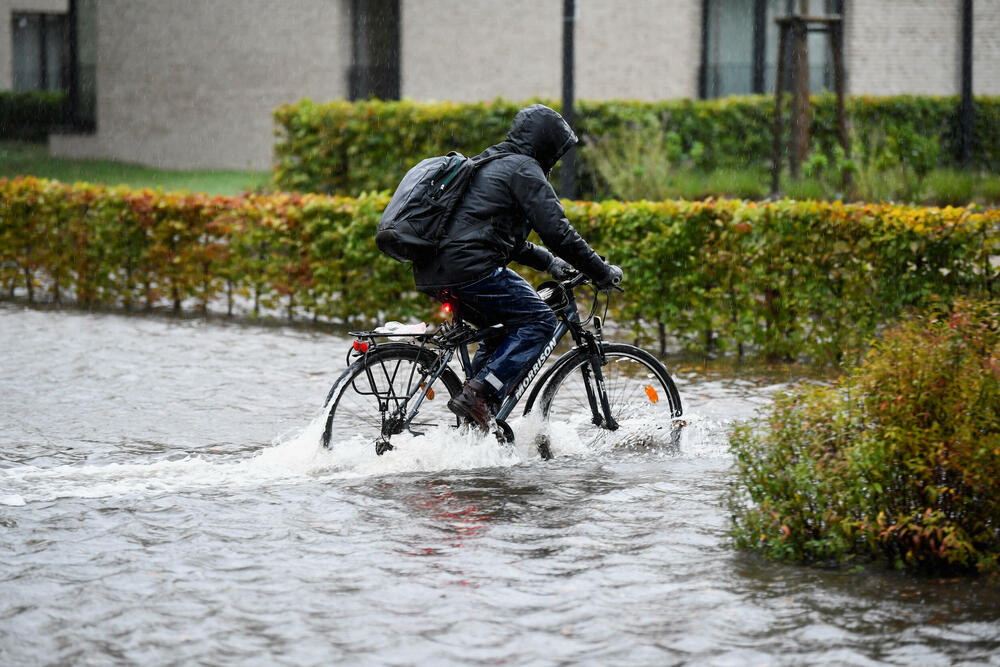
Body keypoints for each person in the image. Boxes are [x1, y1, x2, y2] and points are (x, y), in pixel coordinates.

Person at [411, 104, 623, 432]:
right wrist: (600, 270)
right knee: (538, 321)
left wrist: (551, 263)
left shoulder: (490, 163)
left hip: (436, 268)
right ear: (546, 144)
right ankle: (479, 395)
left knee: (502, 330)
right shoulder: (523, 169)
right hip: (471, 268)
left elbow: (504, 239)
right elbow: (558, 231)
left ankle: (477, 418)